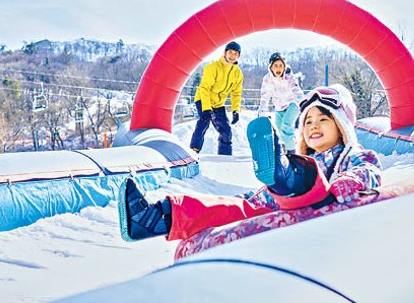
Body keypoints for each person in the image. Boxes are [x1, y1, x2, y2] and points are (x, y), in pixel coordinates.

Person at [119, 84, 382, 242]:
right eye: (308, 122)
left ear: (341, 125)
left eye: (323, 119)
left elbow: (367, 172)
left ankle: (284, 175)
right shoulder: (309, 157)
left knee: (300, 178)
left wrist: (345, 183)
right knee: (225, 206)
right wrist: (246, 196)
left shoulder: (351, 155)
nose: (313, 126)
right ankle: (153, 218)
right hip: (269, 207)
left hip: (307, 209)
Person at [189, 41, 243, 156]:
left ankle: (225, 157)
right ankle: (193, 151)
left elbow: (236, 93)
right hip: (203, 99)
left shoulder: (237, 73)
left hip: (218, 104)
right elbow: (205, 88)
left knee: (226, 130)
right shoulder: (212, 68)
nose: (232, 55)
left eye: (235, 53)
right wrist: (206, 109)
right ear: (225, 53)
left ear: (238, 56)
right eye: (230, 52)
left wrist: (235, 110)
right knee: (204, 122)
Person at [258, 52, 304, 154]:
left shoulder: (289, 77)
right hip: (279, 107)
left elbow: (297, 91)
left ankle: (292, 154)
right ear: (271, 68)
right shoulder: (267, 80)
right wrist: (261, 112)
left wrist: (303, 104)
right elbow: (265, 97)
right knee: (279, 132)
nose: (278, 68)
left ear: (284, 67)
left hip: (293, 104)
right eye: (276, 66)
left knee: (286, 126)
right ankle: (283, 153)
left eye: (281, 66)